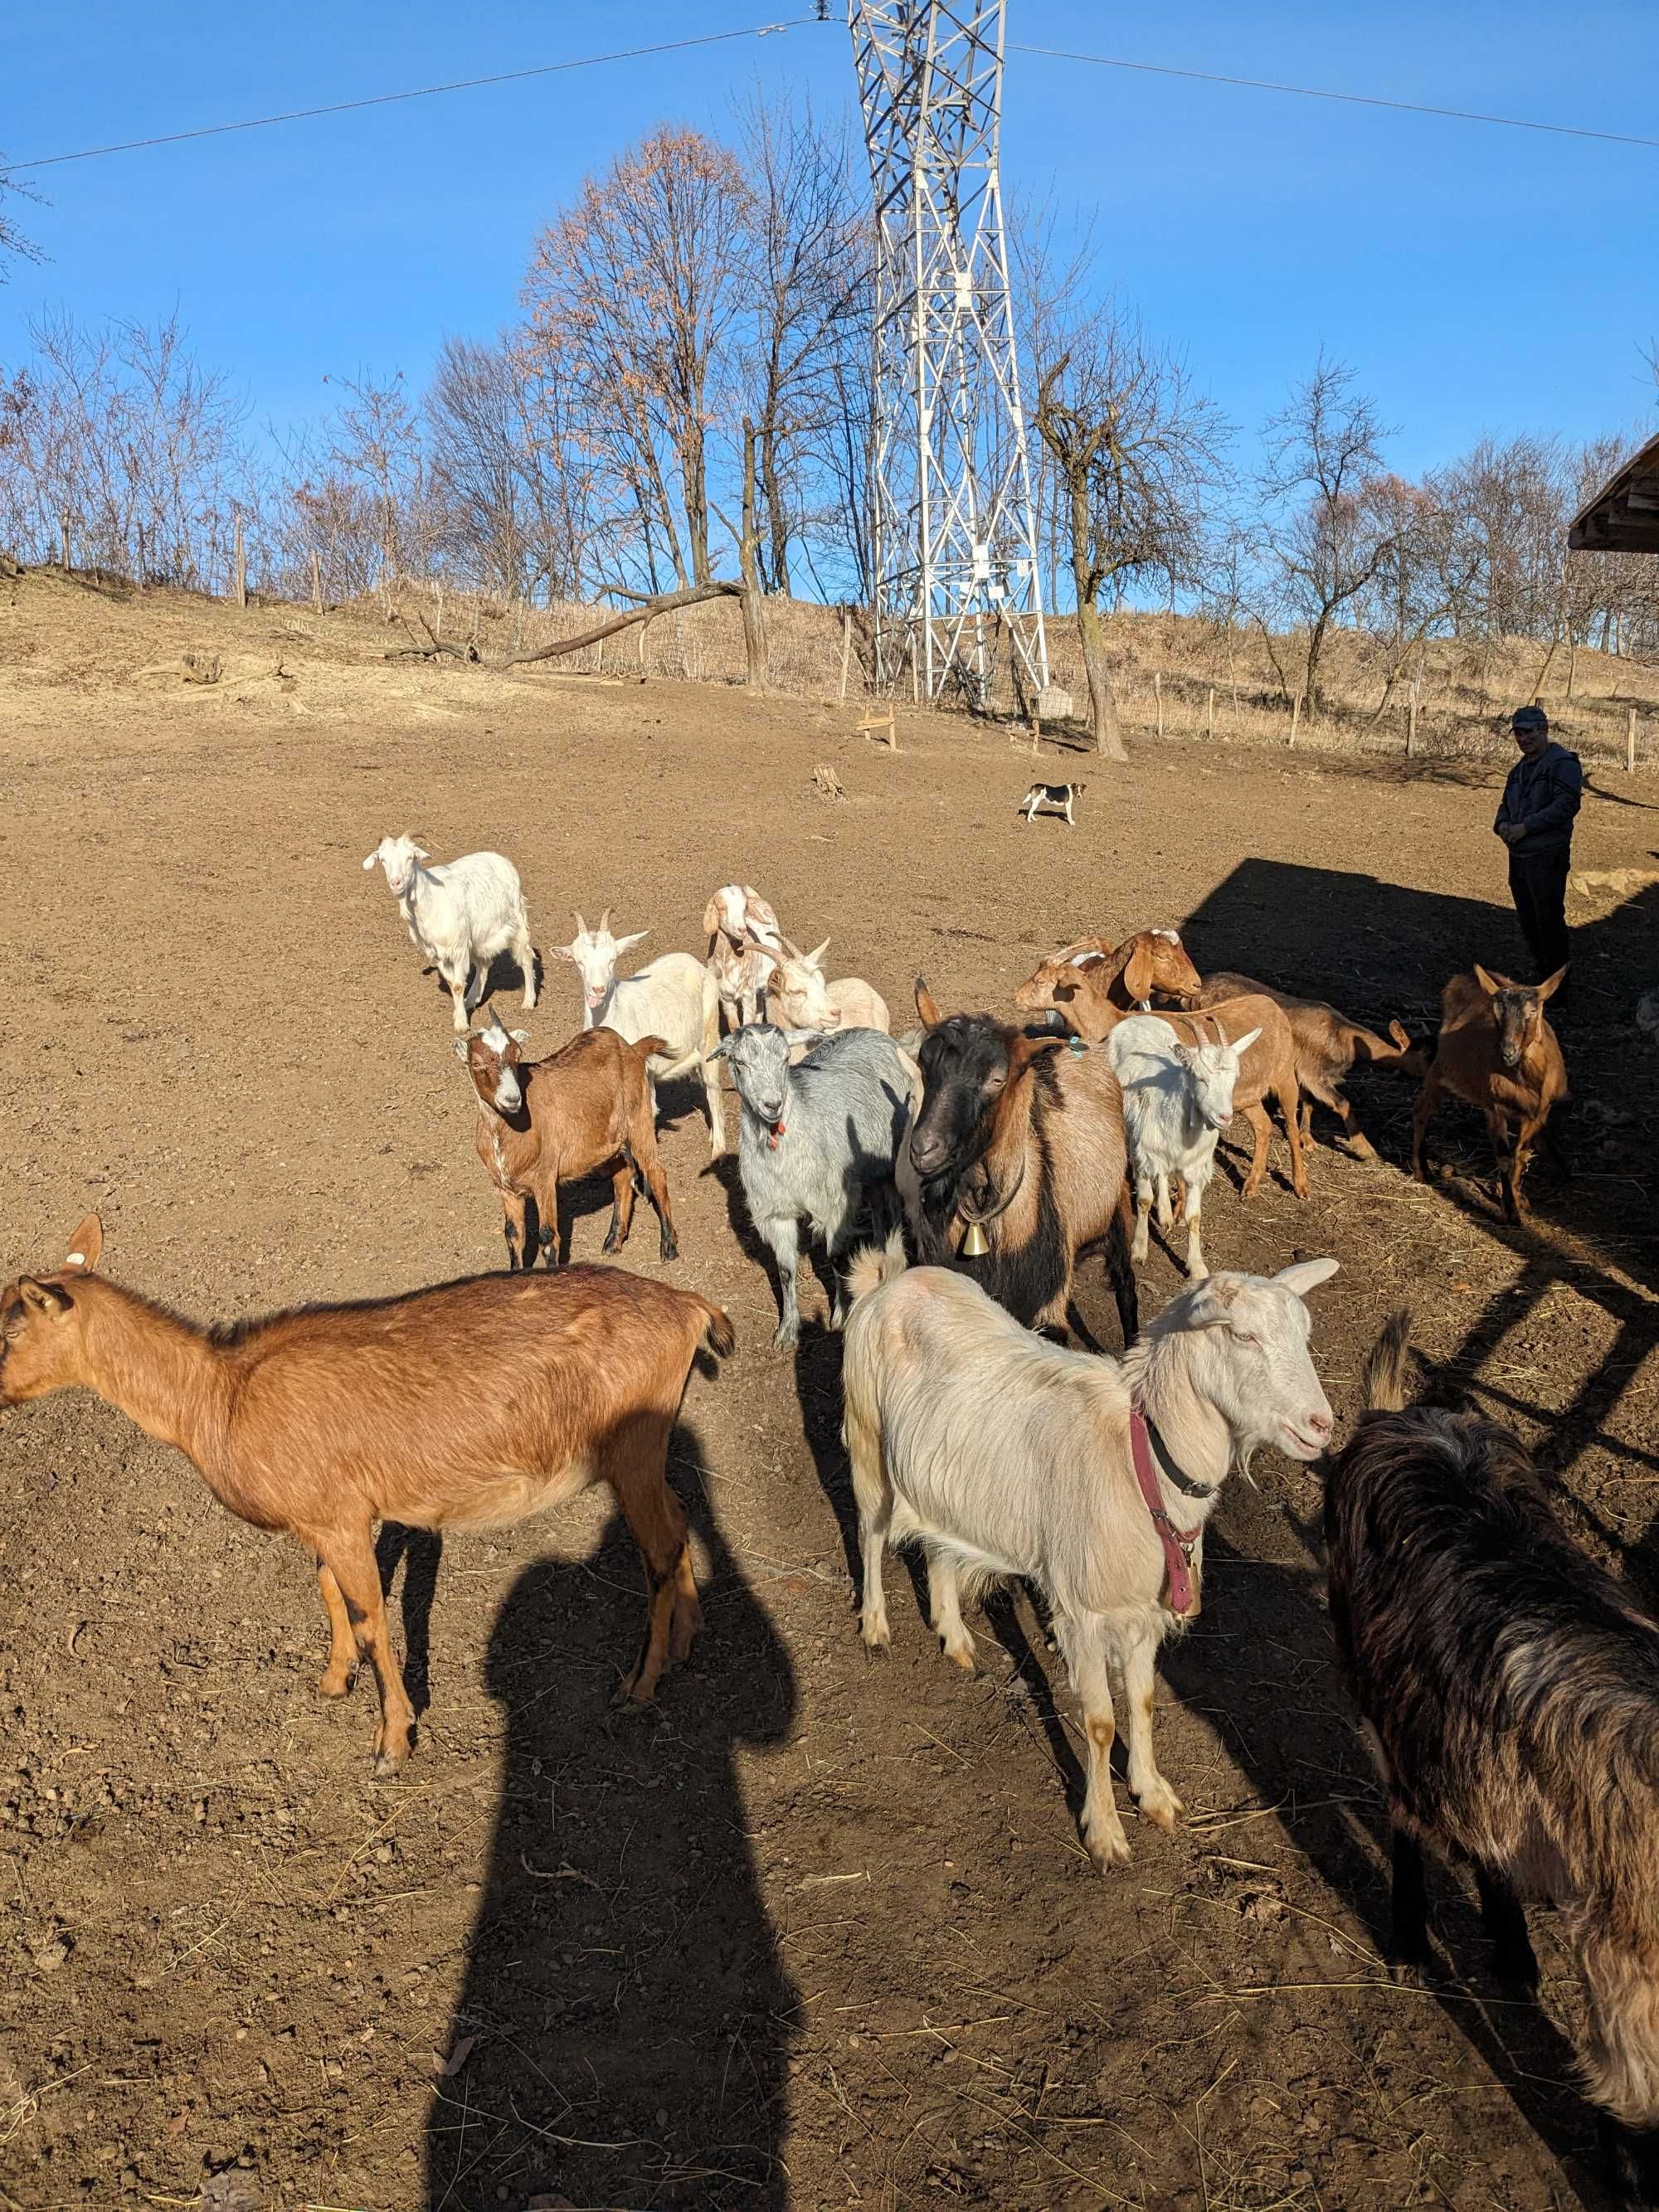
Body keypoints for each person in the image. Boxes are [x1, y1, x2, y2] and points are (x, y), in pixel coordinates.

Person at [1493, 704, 1581, 1003]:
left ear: (1544, 730)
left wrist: (1526, 827)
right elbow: (1505, 804)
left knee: (1549, 920)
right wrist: (1503, 824)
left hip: (1547, 855)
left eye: (1529, 732)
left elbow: (1566, 805)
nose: (1523, 739)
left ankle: (1559, 988)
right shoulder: (1518, 770)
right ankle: (1543, 972)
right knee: (1528, 919)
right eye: (1518, 733)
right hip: (1519, 856)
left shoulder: (1563, 764)